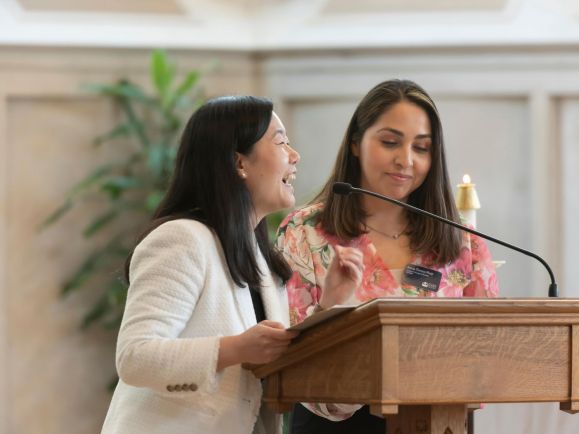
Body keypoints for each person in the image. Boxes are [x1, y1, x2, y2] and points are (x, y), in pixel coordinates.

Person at [276, 79, 500, 434]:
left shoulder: (462, 242)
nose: (406, 160)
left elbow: (486, 349)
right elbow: (286, 351)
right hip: (336, 424)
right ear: (355, 143)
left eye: (422, 147)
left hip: (438, 421)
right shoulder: (306, 231)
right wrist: (331, 306)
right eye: (390, 142)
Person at [102, 96, 302, 434]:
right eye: (281, 142)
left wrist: (334, 301)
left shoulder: (258, 256)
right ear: (240, 163)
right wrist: (236, 348)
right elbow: (135, 357)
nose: (294, 156)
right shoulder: (182, 239)